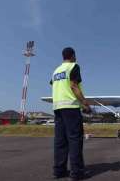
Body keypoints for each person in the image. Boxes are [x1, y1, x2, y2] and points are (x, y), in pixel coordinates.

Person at [51, 47, 91, 180]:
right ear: (73, 55)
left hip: (57, 108)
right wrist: (85, 103)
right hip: (71, 107)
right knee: (74, 140)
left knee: (60, 141)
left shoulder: (56, 71)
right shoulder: (74, 66)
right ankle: (77, 173)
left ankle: (59, 170)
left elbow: (55, 85)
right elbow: (74, 86)